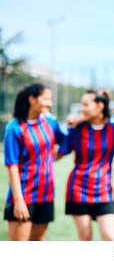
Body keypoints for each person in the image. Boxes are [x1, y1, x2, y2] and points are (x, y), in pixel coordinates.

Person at [57, 89, 114, 241]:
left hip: (104, 190)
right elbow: (60, 153)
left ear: (99, 106)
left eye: (86, 104)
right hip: (78, 189)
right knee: (85, 239)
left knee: (111, 239)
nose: (82, 108)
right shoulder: (76, 128)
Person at [3, 83, 64, 241]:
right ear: (32, 99)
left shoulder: (50, 122)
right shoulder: (14, 127)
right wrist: (18, 201)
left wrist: (74, 126)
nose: (50, 103)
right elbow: (12, 166)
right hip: (24, 196)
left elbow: (65, 142)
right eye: (46, 99)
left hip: (46, 195)